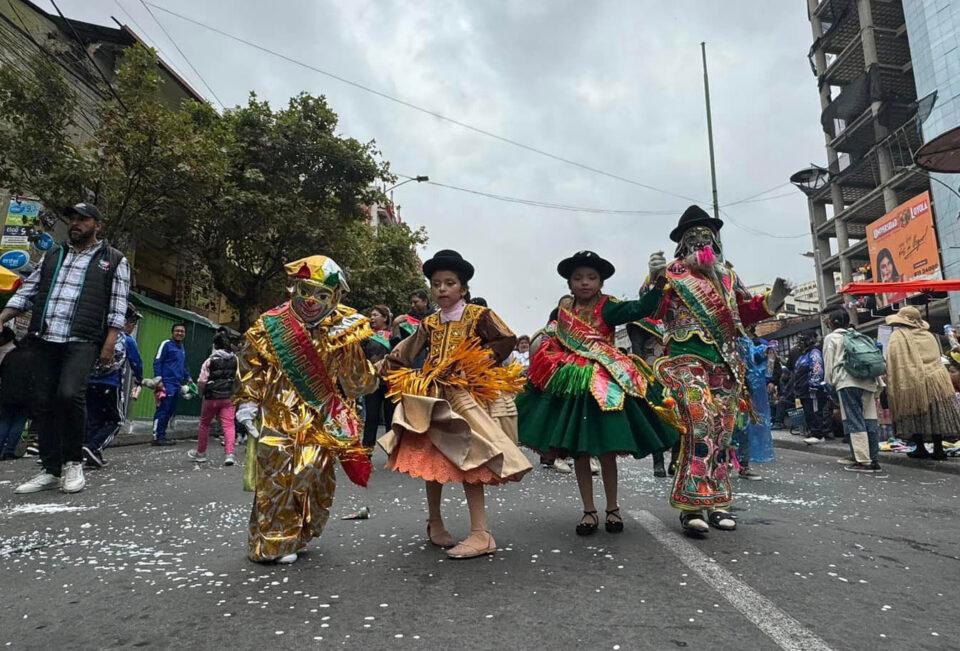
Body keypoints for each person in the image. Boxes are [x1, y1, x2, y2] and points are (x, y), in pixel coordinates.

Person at [646, 206, 789, 534]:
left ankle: (719, 501)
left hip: (724, 360)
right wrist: (653, 281)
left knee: (723, 431)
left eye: (707, 236)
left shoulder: (728, 276)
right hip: (684, 357)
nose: (701, 242)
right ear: (682, 243)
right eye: (693, 237)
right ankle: (692, 504)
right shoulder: (671, 273)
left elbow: (746, 311)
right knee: (699, 424)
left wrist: (773, 300)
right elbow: (652, 312)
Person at [380, 249, 531, 559]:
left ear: (463, 288)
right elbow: (406, 351)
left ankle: (481, 532)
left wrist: (476, 364)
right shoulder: (430, 322)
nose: (442, 289)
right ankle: (435, 523)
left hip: (466, 399)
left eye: (449, 283)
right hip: (433, 395)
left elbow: (505, 339)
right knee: (431, 459)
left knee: (470, 457)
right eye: (436, 284)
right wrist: (384, 365)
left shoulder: (479, 315)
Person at [518, 250, 679, 536]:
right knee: (580, 452)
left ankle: (613, 508)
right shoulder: (563, 310)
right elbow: (550, 337)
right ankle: (589, 510)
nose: (584, 283)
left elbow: (640, 308)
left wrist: (657, 281)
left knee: (606, 452)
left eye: (591, 277)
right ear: (569, 283)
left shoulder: (609, 306)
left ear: (601, 282)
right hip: (572, 385)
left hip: (604, 383)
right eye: (578, 278)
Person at [237, 255, 377, 564]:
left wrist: (372, 371)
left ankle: (297, 533)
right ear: (293, 289)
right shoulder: (270, 324)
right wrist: (247, 402)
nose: (311, 300)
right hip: (278, 412)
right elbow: (251, 364)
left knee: (313, 476)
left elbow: (356, 381)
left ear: (335, 297)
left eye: (321, 294)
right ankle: (271, 543)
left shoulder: (344, 328)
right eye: (304, 291)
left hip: (320, 416)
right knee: (278, 475)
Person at [2, 203, 129, 495]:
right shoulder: (54, 254)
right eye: (73, 218)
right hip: (45, 338)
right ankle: (50, 467)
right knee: (42, 401)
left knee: (70, 395)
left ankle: (73, 462)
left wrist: (109, 342)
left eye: (83, 219)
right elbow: (29, 292)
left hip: (83, 340)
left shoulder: (113, 260)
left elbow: (118, 305)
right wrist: (2, 317)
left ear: (98, 225)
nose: (76, 223)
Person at [884, 306, 960, 460]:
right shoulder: (928, 335)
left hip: (913, 380)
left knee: (916, 412)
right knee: (935, 414)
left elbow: (894, 360)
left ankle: (920, 448)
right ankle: (938, 449)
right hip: (937, 380)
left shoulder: (898, 336)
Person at [822, 309, 884, 473]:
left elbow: (829, 365)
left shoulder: (832, 338)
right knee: (869, 419)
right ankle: (873, 458)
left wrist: (830, 383)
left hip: (847, 382)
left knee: (854, 419)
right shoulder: (858, 336)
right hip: (869, 381)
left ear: (832, 322)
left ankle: (863, 460)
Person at [83, 305, 144, 467]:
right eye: (132, 323)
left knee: (94, 419)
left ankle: (91, 451)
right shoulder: (126, 339)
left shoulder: (100, 335)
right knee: (116, 420)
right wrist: (139, 379)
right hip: (111, 384)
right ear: (127, 323)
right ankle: (93, 447)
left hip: (90, 383)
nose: (132, 327)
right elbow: (136, 362)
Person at [189, 333, 239, 466]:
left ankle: (201, 454)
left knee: (204, 424)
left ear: (215, 345)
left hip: (211, 397)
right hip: (228, 397)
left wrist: (201, 393)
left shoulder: (210, 360)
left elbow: (201, 380)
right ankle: (229, 454)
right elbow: (239, 378)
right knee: (229, 425)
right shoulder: (236, 360)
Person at [734, 335, 775, 481]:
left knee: (742, 427)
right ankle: (718, 463)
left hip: (742, 392)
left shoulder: (745, 341)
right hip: (722, 388)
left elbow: (753, 362)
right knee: (723, 427)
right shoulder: (720, 337)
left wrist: (765, 352)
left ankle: (743, 465)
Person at [152, 323, 192, 446]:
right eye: (177, 331)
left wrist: (188, 377)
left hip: (177, 384)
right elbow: (157, 361)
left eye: (182, 331)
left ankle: (162, 436)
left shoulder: (182, 348)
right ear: (172, 332)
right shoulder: (166, 344)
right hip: (166, 383)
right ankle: (156, 436)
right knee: (163, 409)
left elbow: (181, 365)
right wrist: (159, 381)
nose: (180, 333)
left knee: (170, 410)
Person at [361, 304, 395, 449]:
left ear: (385, 318)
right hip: (372, 382)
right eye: (371, 315)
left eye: (375, 315)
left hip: (390, 382)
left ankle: (392, 450)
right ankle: (367, 450)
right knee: (371, 417)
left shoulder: (394, 335)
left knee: (391, 418)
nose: (372, 318)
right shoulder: (366, 336)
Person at [794, 333, 831, 444]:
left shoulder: (814, 353)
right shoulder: (803, 355)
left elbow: (817, 368)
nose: (798, 345)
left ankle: (818, 434)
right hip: (803, 390)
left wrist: (814, 384)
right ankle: (814, 432)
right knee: (808, 412)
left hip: (812, 389)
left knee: (814, 411)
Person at [0, 327, 29, 460]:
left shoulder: (9, 355)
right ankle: (9, 450)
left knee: (5, 421)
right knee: (19, 421)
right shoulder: (31, 358)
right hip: (24, 395)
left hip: (7, 393)